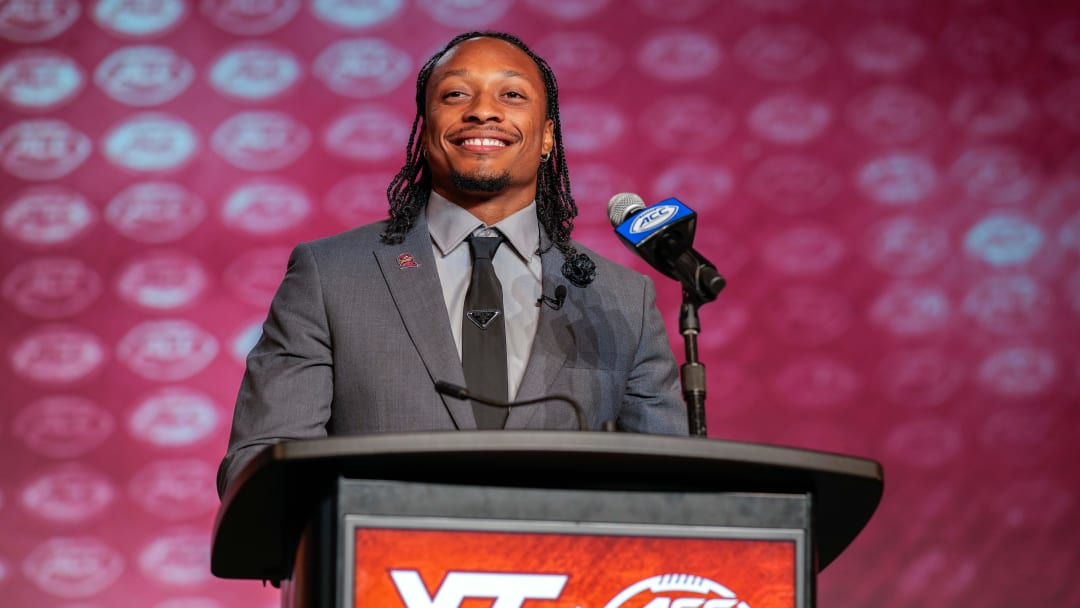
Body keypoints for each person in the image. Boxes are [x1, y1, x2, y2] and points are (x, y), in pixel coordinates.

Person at [217, 31, 687, 497]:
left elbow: (669, 489)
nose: (483, 110)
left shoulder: (622, 297)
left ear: (547, 137)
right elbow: (263, 461)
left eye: (512, 94)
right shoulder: (330, 275)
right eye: (456, 93)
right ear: (425, 130)